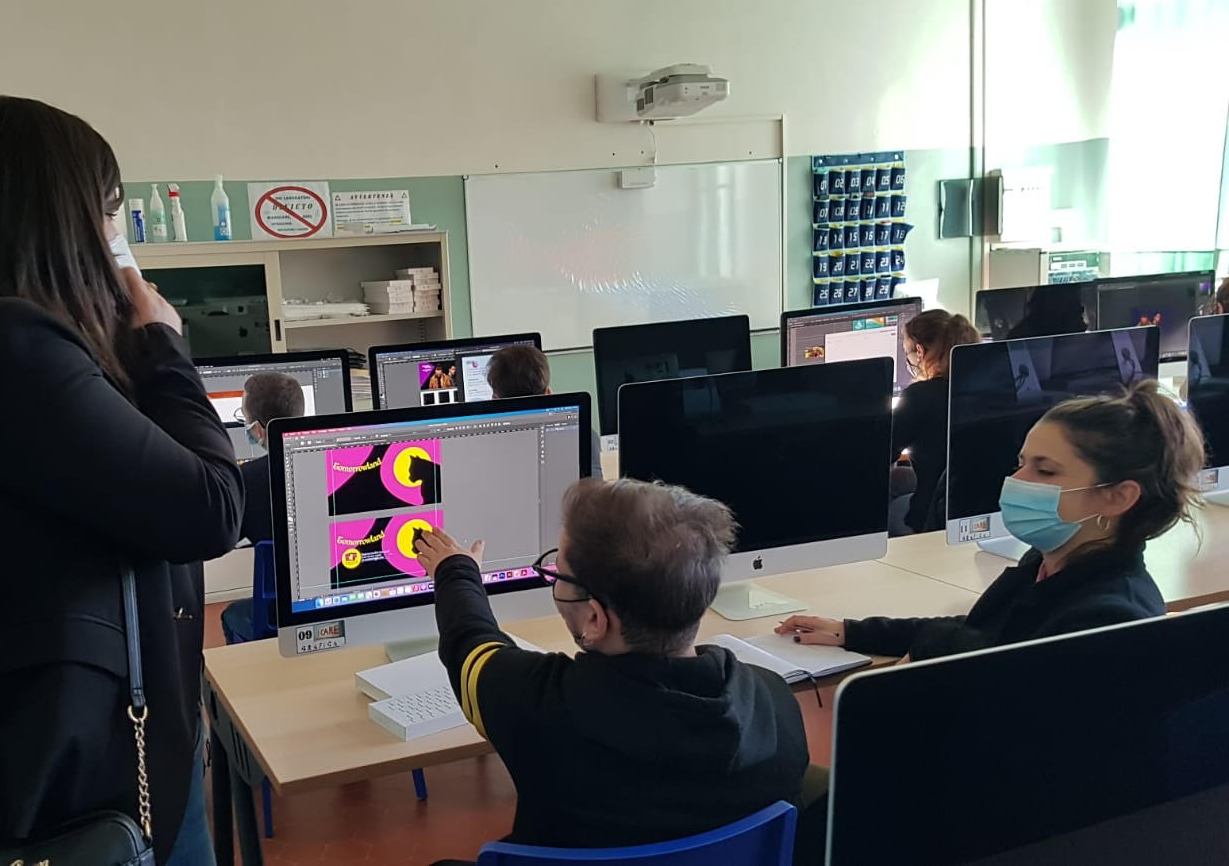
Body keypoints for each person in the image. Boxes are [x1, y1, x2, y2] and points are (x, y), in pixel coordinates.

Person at [0, 96, 243, 861]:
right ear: (61, 219)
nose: (117, 240)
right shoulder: (4, 345)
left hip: (65, 762)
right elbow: (208, 509)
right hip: (75, 794)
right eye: (111, 213)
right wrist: (164, 347)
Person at [416, 479, 808, 859]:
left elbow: (469, 644)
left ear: (595, 619)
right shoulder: (776, 703)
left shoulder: (535, 706)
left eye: (558, 573)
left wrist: (455, 569)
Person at [780, 380, 1203, 661]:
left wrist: (922, 660)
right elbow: (980, 632)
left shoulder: (1104, 620)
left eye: (1045, 470)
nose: (1017, 480)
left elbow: (992, 677)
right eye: (1021, 463)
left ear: (1118, 497)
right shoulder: (1049, 565)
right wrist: (852, 632)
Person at [220, 372, 305, 643]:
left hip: (279, 614)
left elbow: (225, 539)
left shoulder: (247, 480)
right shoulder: (336, 465)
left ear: (258, 429)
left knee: (233, 614)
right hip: (337, 601)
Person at [890, 310, 981, 535]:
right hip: (982, 507)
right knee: (900, 478)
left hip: (935, 517)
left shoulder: (919, 396)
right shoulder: (990, 388)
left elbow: (882, 454)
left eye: (908, 354)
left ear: (920, 351)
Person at [485, 343, 604, 478]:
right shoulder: (584, 435)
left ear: (495, 400)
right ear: (548, 394)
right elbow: (593, 487)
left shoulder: (484, 446)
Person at [235, 372, 307, 545]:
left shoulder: (246, 480)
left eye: (245, 418)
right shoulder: (328, 466)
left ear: (258, 429)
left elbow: (221, 539)